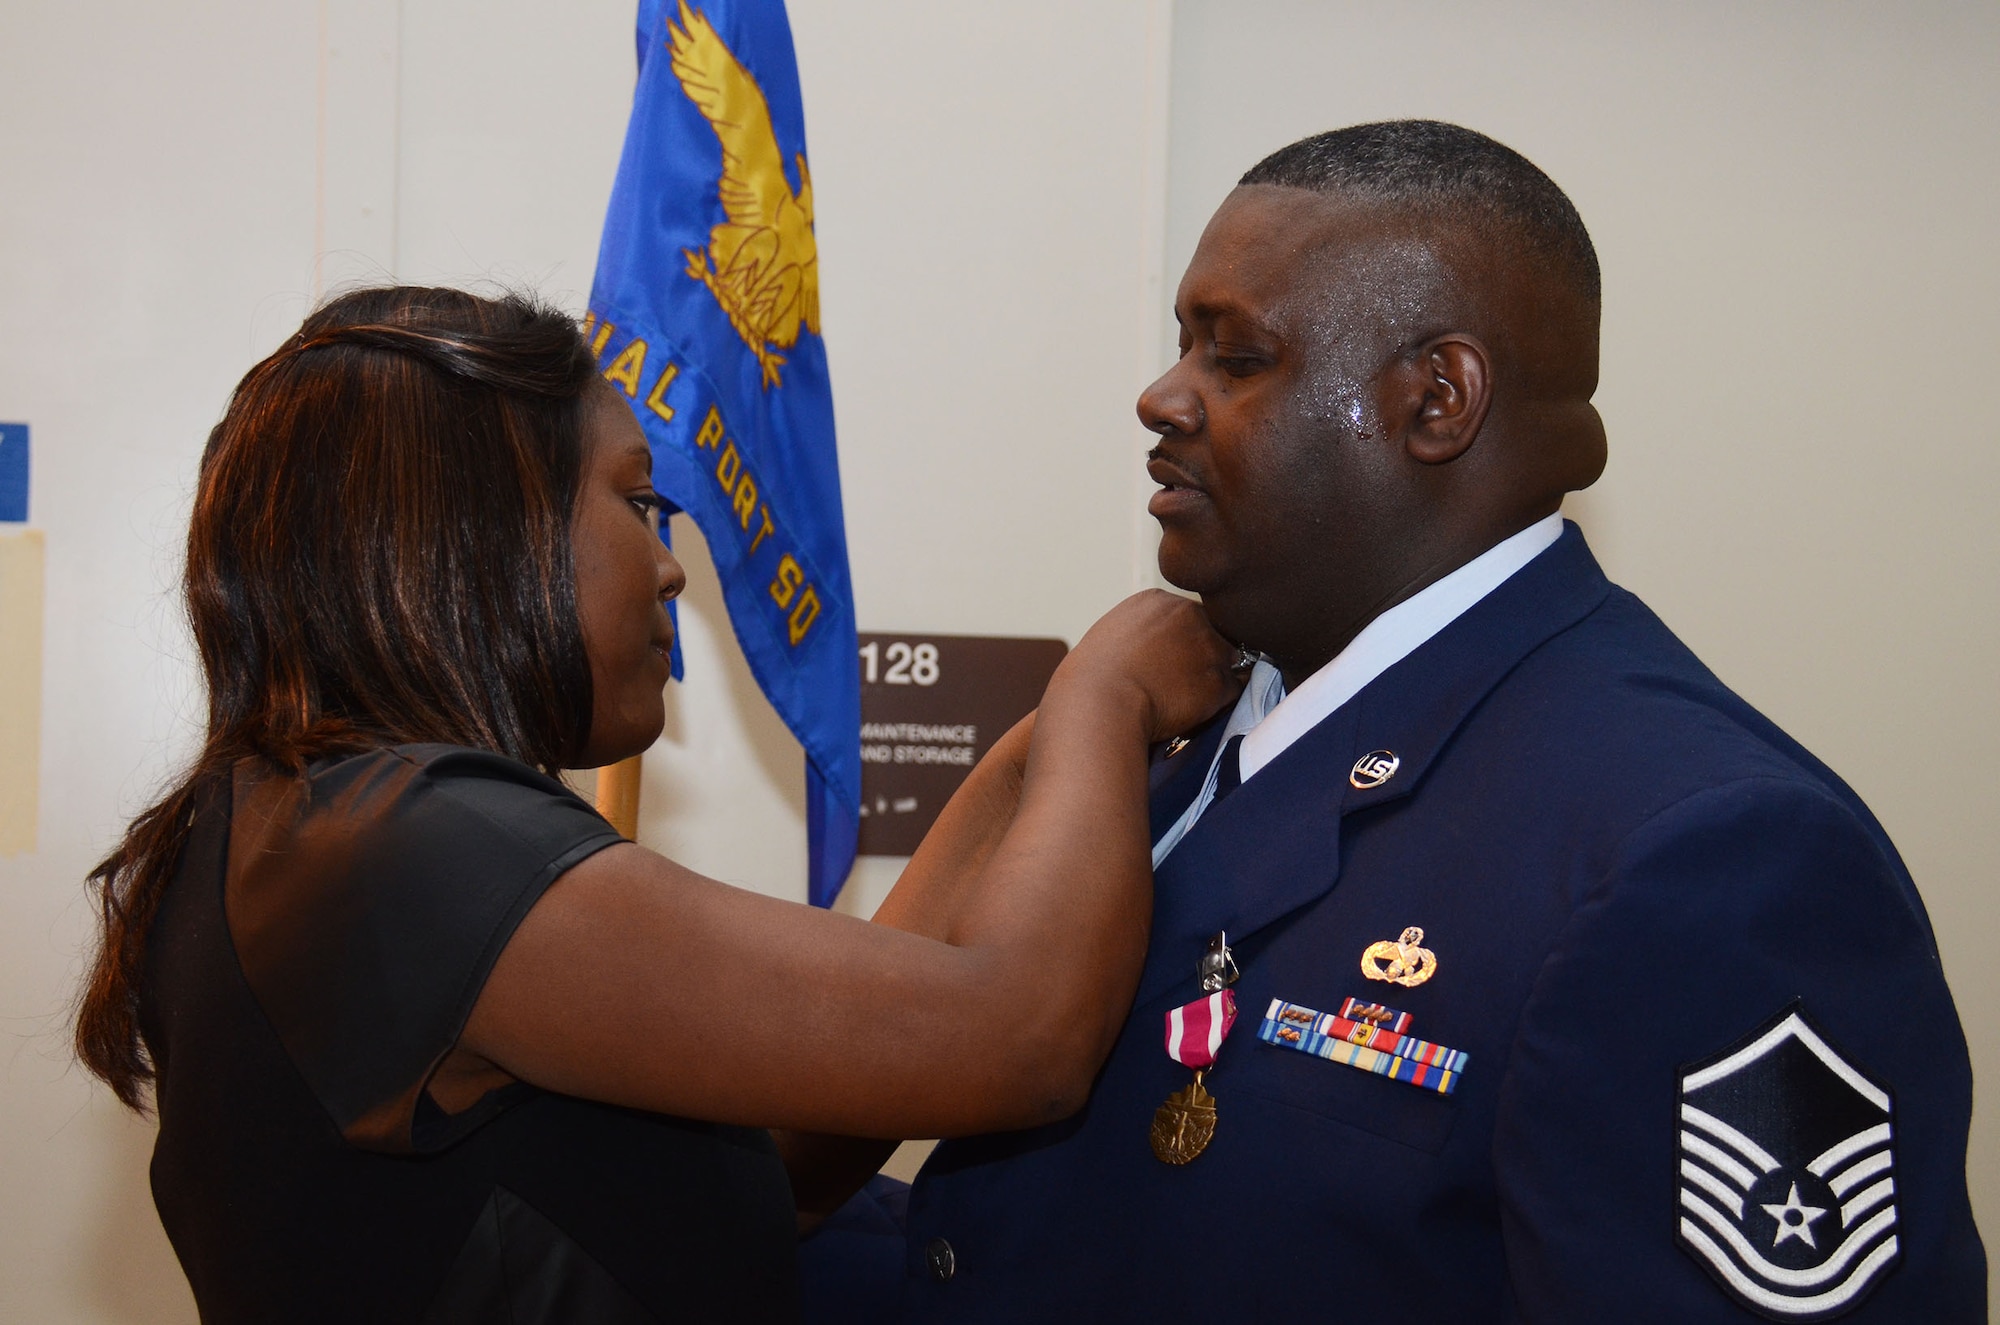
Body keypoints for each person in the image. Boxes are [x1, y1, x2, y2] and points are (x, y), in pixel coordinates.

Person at [820, 121, 1985, 1320]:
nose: (1160, 395)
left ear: (1438, 398)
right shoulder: (1179, 721)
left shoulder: (1710, 858)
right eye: (1182, 345)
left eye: (1235, 356)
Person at [71, 285, 1242, 1323]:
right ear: (485, 535)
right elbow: (1015, 1039)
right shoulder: (413, 844)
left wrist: (1026, 766)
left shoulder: (296, 822)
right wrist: (1106, 696)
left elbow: (781, 1158)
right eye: (635, 504)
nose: (671, 564)